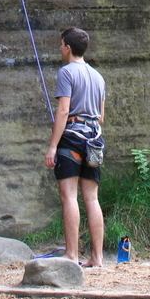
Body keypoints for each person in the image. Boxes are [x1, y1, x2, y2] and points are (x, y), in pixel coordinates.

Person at [44, 27, 106, 268]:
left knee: (69, 196)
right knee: (92, 198)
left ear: (68, 47)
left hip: (72, 138)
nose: (60, 48)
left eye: (61, 44)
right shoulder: (99, 77)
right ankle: (97, 258)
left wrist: (52, 146)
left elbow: (63, 110)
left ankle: (72, 255)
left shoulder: (66, 72)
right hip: (95, 139)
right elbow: (101, 116)